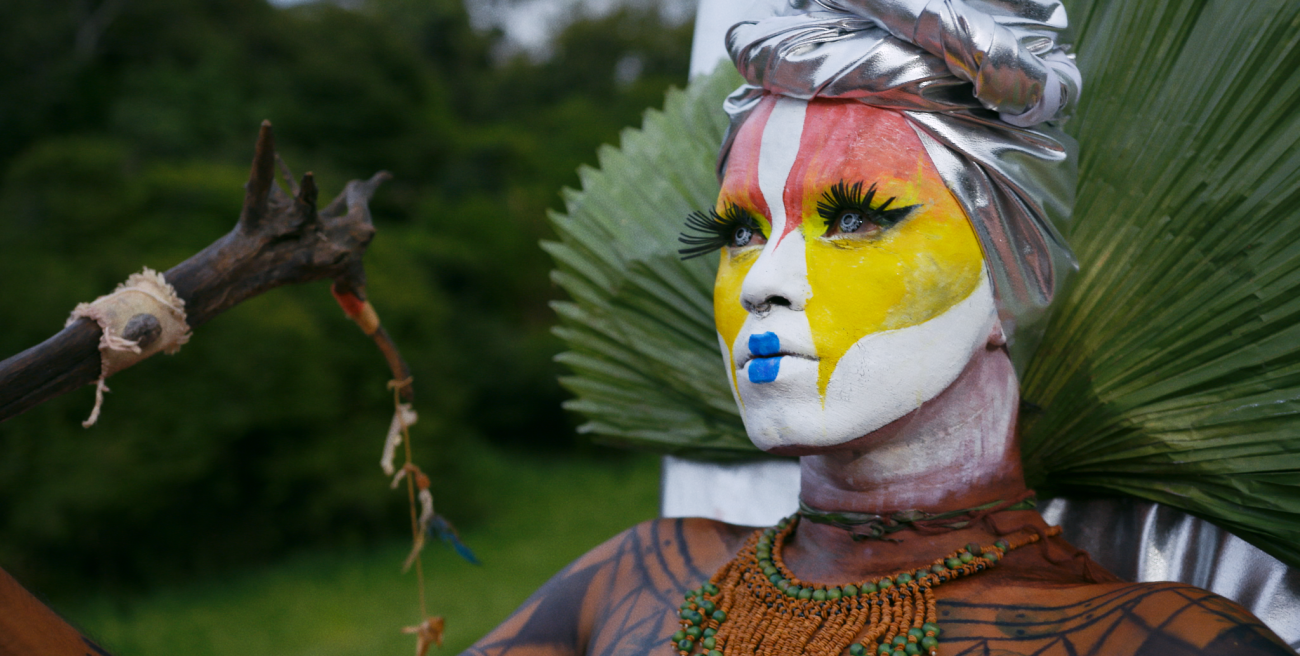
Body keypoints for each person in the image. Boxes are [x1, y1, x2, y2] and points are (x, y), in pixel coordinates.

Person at [462, 2, 1295, 655]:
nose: (764, 282)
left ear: (1010, 281)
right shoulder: (633, 582)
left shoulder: (1150, 640)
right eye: (740, 232)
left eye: (857, 217)